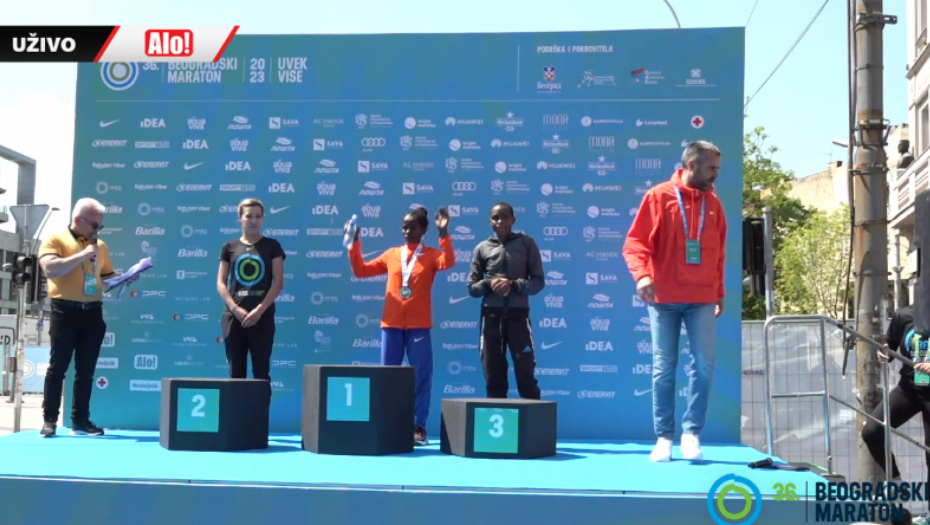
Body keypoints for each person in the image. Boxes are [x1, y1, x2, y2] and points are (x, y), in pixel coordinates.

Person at [622, 140, 727, 462]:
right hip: (664, 297)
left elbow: (719, 254)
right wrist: (642, 276)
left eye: (718, 169)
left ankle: (691, 432)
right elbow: (635, 243)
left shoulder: (714, 204)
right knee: (663, 368)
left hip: (702, 298)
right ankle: (664, 437)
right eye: (711, 168)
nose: (716, 175)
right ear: (692, 165)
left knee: (704, 365)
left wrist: (719, 291)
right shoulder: (659, 196)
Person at [345, 206, 454, 446]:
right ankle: (388, 424)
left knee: (421, 377)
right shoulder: (392, 254)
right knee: (388, 377)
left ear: (423, 230)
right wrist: (354, 245)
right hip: (391, 324)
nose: (407, 231)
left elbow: (449, 262)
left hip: (419, 326)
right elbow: (361, 271)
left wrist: (444, 233)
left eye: (412, 227)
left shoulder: (432, 254)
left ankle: (418, 427)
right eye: (404, 227)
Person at [39, 198, 138, 437]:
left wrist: (126, 277)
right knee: (58, 367)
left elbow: (106, 277)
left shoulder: (100, 246)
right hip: (64, 310)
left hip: (92, 312)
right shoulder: (55, 239)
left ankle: (80, 420)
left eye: (100, 226)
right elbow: (50, 269)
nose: (97, 231)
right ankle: (49, 420)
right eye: (94, 225)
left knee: (86, 371)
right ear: (77, 220)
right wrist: (82, 255)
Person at [467, 202, 545, 399]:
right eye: (495, 218)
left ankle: (533, 417)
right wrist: (489, 284)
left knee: (525, 373)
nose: (500, 221)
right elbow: (472, 289)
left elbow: (538, 282)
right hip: (491, 316)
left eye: (504, 217)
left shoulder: (527, 243)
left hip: (518, 316)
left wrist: (514, 284)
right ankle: (497, 414)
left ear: (513, 220)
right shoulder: (482, 248)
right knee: (493, 375)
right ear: (490, 221)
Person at [216, 198, 285, 397]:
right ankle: (237, 416)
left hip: (262, 318)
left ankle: (259, 416)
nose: (254, 221)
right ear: (240, 218)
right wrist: (235, 309)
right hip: (234, 318)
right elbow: (221, 283)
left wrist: (258, 311)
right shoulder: (229, 247)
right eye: (249, 216)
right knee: (236, 373)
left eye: (258, 216)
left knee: (261, 373)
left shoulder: (272, 246)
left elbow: (278, 283)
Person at [862, 305, 930, 494]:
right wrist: (884, 351)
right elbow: (890, 345)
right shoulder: (905, 315)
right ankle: (896, 482)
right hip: (909, 388)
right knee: (872, 431)